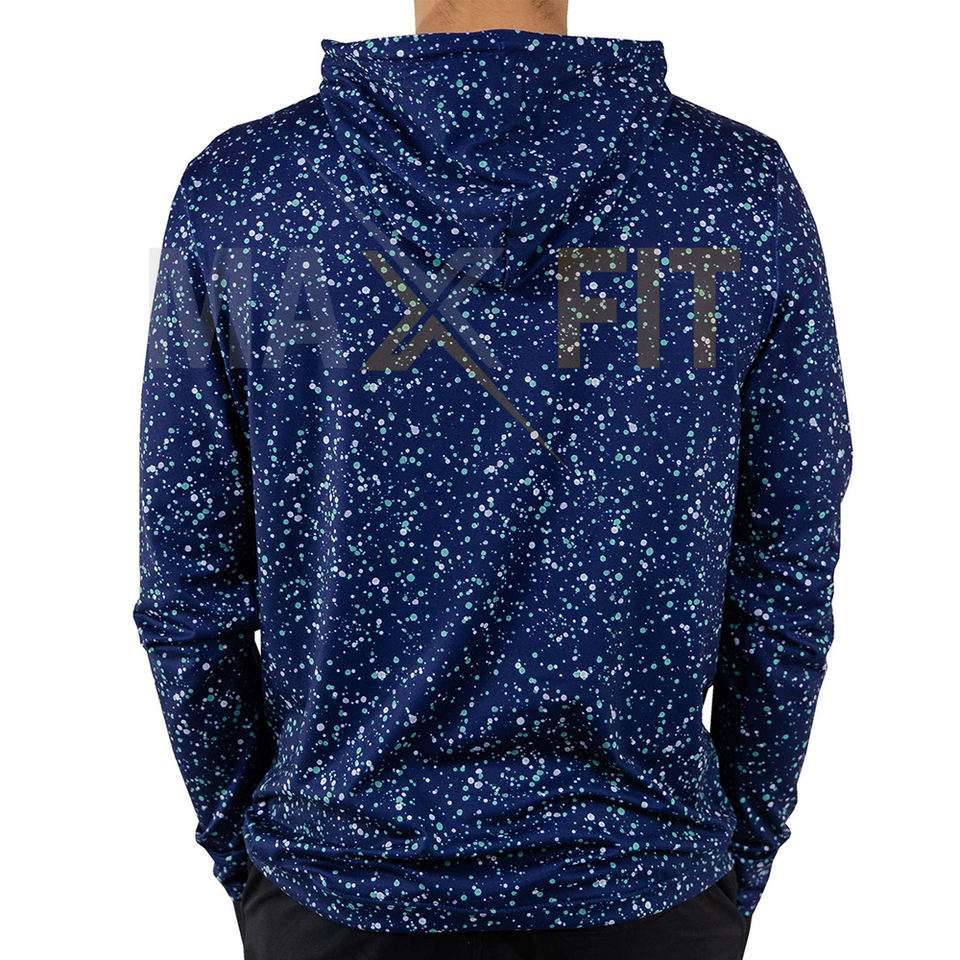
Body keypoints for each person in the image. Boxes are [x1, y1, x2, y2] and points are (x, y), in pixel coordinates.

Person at [134, 1, 852, 957]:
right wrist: (740, 856)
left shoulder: (245, 191)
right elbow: (786, 573)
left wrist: (250, 862)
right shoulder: (738, 188)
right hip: (646, 880)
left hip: (339, 884)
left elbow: (189, 582)